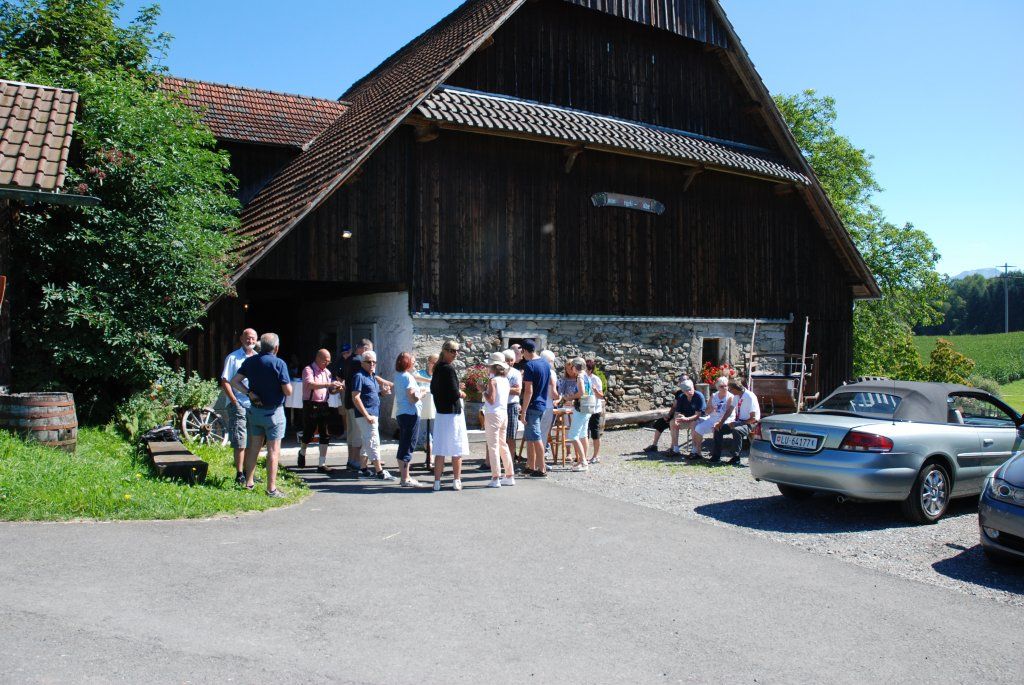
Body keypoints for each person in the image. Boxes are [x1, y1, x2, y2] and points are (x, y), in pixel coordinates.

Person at [230, 332, 293, 498]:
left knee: (254, 448)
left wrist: (249, 392)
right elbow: (288, 391)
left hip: (255, 410)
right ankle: (271, 488)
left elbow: (234, 381)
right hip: (274, 412)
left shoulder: (251, 361)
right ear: (276, 348)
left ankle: (248, 482)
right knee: (273, 450)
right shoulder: (279, 363)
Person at [344, 339, 393, 474]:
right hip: (366, 413)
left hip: (373, 412)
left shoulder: (371, 375)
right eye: (368, 362)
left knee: (366, 442)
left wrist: (383, 392)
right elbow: (356, 396)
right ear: (362, 362)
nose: (372, 364)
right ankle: (379, 471)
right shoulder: (359, 375)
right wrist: (366, 415)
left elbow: (373, 393)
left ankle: (363, 469)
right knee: (372, 441)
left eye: (374, 362)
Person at [217, 328, 257, 485]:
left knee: (253, 439)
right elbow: (225, 381)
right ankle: (239, 474)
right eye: (247, 338)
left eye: (253, 338)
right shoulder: (233, 358)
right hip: (238, 403)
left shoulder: (258, 358)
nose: (250, 341)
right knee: (241, 439)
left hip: (253, 405)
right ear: (241, 339)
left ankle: (249, 473)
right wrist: (234, 401)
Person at [431, 340, 470, 491]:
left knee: (440, 449)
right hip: (452, 413)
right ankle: (456, 480)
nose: (455, 354)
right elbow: (454, 392)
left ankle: (437, 482)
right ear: (446, 351)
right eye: (453, 351)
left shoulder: (437, 367)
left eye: (457, 351)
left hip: (441, 412)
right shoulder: (448, 368)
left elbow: (435, 389)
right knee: (456, 448)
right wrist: (461, 392)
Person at [297, 349, 343, 472]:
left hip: (323, 404)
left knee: (325, 434)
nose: (327, 363)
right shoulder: (308, 370)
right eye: (325, 361)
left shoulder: (327, 372)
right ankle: (302, 451)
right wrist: (328, 384)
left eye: (329, 361)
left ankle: (321, 464)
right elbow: (310, 384)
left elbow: (329, 391)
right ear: (318, 358)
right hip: (310, 404)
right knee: (308, 432)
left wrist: (336, 389)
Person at [520, 340, 557, 477]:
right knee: (530, 436)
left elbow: (528, 391)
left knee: (535, 437)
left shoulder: (529, 365)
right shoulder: (545, 364)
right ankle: (531, 465)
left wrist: (523, 411)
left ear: (524, 351)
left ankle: (541, 469)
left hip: (533, 405)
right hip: (542, 404)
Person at [482, 352, 515, 487]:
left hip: (493, 414)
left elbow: (491, 399)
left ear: (494, 367)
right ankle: (509, 475)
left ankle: (496, 477)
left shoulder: (493, 380)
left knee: (493, 446)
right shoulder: (505, 380)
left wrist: (483, 391)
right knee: (502, 444)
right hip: (503, 413)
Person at [394, 352, 426, 487]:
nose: (414, 363)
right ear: (407, 363)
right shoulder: (408, 377)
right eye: (412, 361)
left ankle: (405, 476)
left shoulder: (399, 376)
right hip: (410, 413)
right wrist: (422, 393)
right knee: (408, 445)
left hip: (402, 413)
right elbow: (412, 398)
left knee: (403, 444)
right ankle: (405, 478)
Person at [712, 378, 761, 464]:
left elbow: (753, 418)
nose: (730, 391)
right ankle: (716, 456)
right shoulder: (736, 396)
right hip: (740, 422)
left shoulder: (749, 396)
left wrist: (738, 423)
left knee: (736, 430)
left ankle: (736, 457)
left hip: (751, 423)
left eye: (730, 389)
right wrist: (720, 423)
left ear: (735, 389)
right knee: (718, 429)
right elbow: (729, 410)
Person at [643, 377, 690, 453]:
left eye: (684, 381)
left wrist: (675, 417)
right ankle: (654, 445)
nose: (682, 382)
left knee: (673, 424)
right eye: (681, 381)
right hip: (675, 413)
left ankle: (673, 448)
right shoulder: (679, 393)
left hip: (684, 415)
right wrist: (668, 415)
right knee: (660, 423)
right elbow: (674, 406)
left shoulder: (690, 393)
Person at [562, 357, 593, 472]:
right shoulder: (587, 375)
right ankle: (581, 460)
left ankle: (583, 462)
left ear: (575, 367)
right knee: (583, 435)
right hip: (587, 408)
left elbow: (581, 393)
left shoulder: (580, 376)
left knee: (573, 435)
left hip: (580, 409)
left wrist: (569, 397)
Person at [695, 376, 735, 458]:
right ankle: (698, 452)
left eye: (726, 386)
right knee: (698, 428)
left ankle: (715, 453)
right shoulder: (713, 395)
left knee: (716, 428)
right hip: (713, 418)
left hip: (726, 419)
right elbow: (706, 411)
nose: (724, 388)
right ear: (717, 387)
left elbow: (727, 413)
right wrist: (712, 408)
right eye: (721, 386)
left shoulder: (730, 397)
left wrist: (719, 422)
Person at [669, 379, 706, 458]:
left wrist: (687, 419)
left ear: (693, 387)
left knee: (693, 424)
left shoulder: (699, 396)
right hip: (686, 418)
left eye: (690, 389)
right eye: (686, 391)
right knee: (672, 423)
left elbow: (697, 415)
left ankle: (694, 451)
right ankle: (675, 449)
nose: (689, 392)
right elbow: (677, 412)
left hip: (698, 419)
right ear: (683, 391)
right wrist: (676, 419)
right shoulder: (681, 397)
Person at [414, 353, 438, 470]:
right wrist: (430, 382)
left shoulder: (440, 375)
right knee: (425, 435)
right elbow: (413, 377)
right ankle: (430, 458)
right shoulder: (421, 373)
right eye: (433, 362)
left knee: (434, 435)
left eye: (437, 363)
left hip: (436, 409)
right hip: (423, 409)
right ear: (428, 362)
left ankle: (430, 459)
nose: (435, 365)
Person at [539, 349, 561, 460]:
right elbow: (552, 393)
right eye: (552, 361)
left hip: (535, 405)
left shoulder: (535, 369)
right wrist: (559, 397)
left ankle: (533, 459)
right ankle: (540, 459)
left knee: (535, 433)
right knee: (543, 433)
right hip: (547, 405)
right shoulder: (551, 372)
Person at [503, 349, 522, 463]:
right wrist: (510, 389)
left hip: (511, 405)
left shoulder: (516, 373)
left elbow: (518, 391)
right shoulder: (497, 372)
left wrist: (502, 388)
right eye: (507, 360)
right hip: (501, 405)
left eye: (511, 360)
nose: (509, 363)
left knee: (511, 435)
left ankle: (510, 459)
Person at [585, 359, 605, 464]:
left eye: (586, 369)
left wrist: (595, 390)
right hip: (585, 409)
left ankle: (596, 456)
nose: (584, 371)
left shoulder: (596, 379)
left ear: (591, 370)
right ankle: (584, 455)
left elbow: (601, 395)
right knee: (585, 433)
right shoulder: (582, 378)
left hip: (595, 409)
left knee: (595, 433)